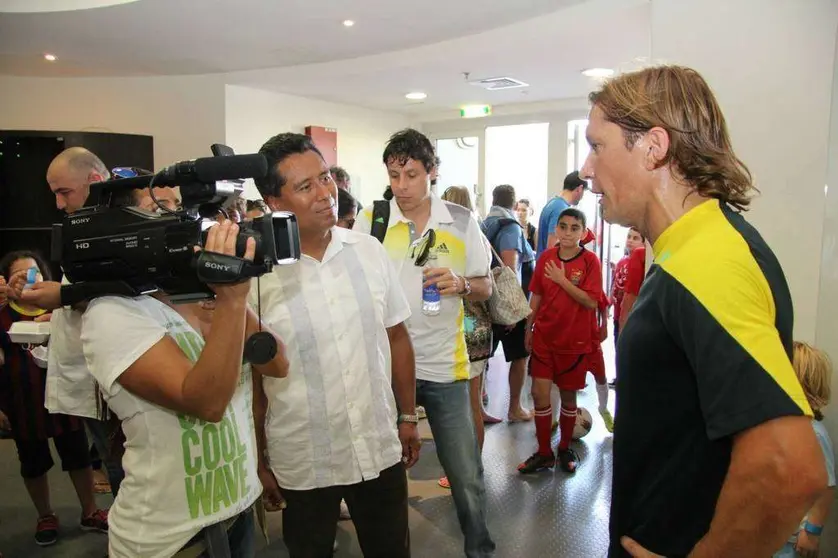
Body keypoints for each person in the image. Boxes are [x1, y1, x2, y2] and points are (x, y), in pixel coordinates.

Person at [581, 65, 826, 558]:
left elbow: (789, 464)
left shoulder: (710, 259)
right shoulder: (685, 249)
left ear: (653, 146)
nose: (586, 169)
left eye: (596, 146)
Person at [252, 133, 419, 558]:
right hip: (305, 456)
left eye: (326, 178)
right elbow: (252, 376)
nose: (327, 193)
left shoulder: (368, 251)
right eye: (306, 186)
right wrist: (259, 456)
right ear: (274, 201)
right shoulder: (257, 278)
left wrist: (406, 415)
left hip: (375, 444)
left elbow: (397, 336)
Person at [355, 129, 496, 558]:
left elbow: (486, 285)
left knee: (465, 473)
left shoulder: (460, 220)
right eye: (395, 174)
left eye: (412, 175)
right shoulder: (372, 222)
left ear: (432, 173)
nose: (401, 186)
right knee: (385, 474)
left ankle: (480, 549)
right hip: (387, 367)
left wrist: (459, 283)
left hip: (443, 365)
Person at [0, 251, 108, 546]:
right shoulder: (2, 311)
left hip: (63, 394)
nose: (27, 279)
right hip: (20, 400)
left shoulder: (62, 307)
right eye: (19, 275)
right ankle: (45, 514)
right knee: (32, 461)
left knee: (78, 455)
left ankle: (90, 510)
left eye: (33, 272)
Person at [43, 147, 126, 496]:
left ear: (94, 180)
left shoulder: (123, 224)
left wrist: (61, 296)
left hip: (120, 374)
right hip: (90, 375)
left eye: (65, 192)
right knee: (113, 462)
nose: (60, 204)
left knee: (125, 465)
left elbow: (123, 294)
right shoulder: (83, 227)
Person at [520, 208, 603, 474]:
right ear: (556, 229)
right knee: (538, 394)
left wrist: (562, 280)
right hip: (545, 338)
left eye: (574, 228)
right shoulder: (545, 257)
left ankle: (565, 446)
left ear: (583, 231)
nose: (567, 233)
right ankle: (544, 452)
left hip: (574, 343)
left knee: (568, 398)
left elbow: (591, 300)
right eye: (563, 227)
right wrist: (528, 327)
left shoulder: (591, 261)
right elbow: (537, 296)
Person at [441, 186, 498, 441]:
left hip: (458, 326)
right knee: (472, 402)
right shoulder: (480, 238)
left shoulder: (445, 240)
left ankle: (466, 469)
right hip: (477, 325)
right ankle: (473, 467)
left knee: (458, 408)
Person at [774, 342, 834, 558]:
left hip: (793, 543)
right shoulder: (788, 426)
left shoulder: (813, 433)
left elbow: (827, 486)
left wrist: (812, 532)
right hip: (775, 538)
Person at [481, 185, 534, 423]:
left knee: (482, 358)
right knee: (520, 356)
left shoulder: (483, 224)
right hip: (506, 305)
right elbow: (509, 270)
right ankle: (514, 407)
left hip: (485, 301)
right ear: (513, 205)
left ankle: (478, 407)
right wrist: (512, 311)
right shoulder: (510, 227)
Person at [536, 171, 587, 258]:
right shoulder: (561, 209)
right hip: (550, 267)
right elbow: (552, 246)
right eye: (584, 192)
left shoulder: (553, 203)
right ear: (579, 189)